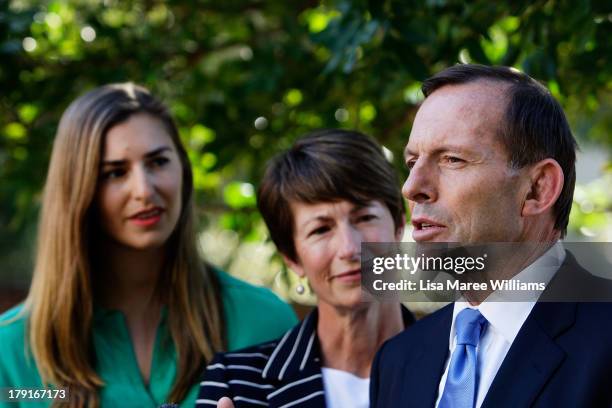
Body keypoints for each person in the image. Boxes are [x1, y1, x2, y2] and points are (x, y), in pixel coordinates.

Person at [0, 83, 297, 408]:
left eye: (158, 162)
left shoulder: (264, 323)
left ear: (183, 170)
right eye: (115, 173)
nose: (144, 189)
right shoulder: (11, 353)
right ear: (78, 189)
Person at [370, 64, 612, 407]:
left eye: (452, 159)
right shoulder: (397, 360)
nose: (411, 188)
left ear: (537, 189)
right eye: (412, 162)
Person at [196, 129, 415, 407]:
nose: (349, 248)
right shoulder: (237, 384)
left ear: (397, 225)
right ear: (291, 257)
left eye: (365, 217)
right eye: (321, 229)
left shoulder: (459, 363)